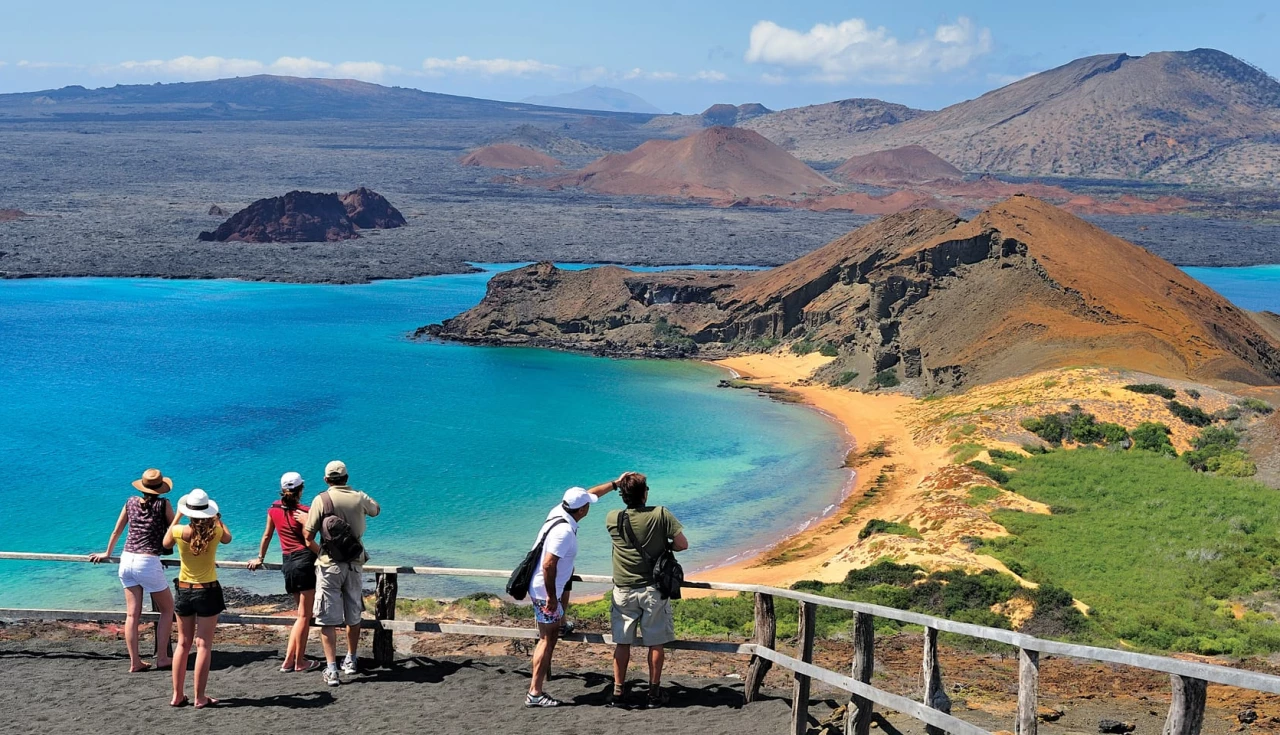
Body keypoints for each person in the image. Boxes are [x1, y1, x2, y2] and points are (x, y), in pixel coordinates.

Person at [524, 477, 624, 708]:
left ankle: (561, 623)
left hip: (545, 587)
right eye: (587, 504)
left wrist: (615, 483)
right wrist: (551, 598)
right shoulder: (565, 532)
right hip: (544, 591)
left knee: (549, 636)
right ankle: (535, 693)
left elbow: (592, 493)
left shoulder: (560, 509)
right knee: (546, 641)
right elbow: (549, 565)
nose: (590, 504)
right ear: (582, 509)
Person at [605, 472, 688, 708]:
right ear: (645, 493)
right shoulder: (661, 514)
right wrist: (664, 546)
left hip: (623, 588)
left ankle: (619, 691)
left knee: (622, 643)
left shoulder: (612, 518)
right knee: (655, 643)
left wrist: (615, 484)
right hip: (652, 588)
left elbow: (588, 498)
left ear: (622, 495)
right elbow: (682, 544)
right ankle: (653, 693)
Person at [88, 468, 177, 673]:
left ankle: (135, 661)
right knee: (167, 609)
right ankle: (162, 657)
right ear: (160, 488)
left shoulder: (130, 502)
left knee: (132, 615)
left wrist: (107, 553)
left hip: (126, 560)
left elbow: (117, 530)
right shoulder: (163, 504)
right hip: (147, 561)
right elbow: (174, 530)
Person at [302, 459, 380, 687]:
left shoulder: (321, 500)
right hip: (355, 563)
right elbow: (376, 510)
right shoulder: (358, 497)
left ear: (326, 479)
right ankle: (351, 660)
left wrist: (323, 553)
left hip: (329, 565)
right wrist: (361, 496)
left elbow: (308, 537)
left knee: (327, 617)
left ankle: (332, 669)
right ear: (346, 478)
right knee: (353, 613)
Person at [163, 488, 232, 709]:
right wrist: (217, 518)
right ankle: (200, 697)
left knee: (183, 643)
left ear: (189, 512)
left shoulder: (177, 531)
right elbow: (229, 538)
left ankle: (177, 695)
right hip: (208, 590)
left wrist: (177, 516)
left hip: (184, 590)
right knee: (203, 645)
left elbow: (165, 544)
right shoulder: (215, 533)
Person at [247, 471, 320, 672]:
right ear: (301, 489)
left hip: (287, 562)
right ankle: (298, 662)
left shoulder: (273, 509)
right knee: (305, 616)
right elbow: (308, 539)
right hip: (304, 562)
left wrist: (260, 558)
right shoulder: (305, 511)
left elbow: (267, 535)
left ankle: (289, 661)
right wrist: (324, 554)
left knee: (300, 615)